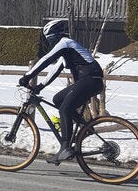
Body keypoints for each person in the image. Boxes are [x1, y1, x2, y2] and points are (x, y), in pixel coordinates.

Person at [18, 19, 104, 164]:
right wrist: (40, 86)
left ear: (55, 35)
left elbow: (46, 59)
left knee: (65, 109)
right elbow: (55, 70)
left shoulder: (65, 43)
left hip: (90, 80)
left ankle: (65, 148)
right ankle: (85, 128)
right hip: (89, 81)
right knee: (58, 100)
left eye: (50, 39)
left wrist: (27, 76)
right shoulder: (68, 50)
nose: (50, 43)